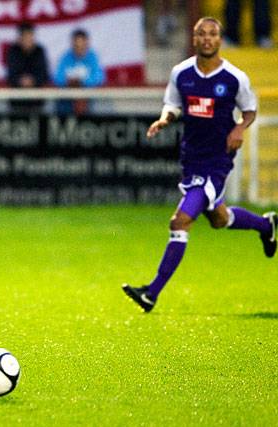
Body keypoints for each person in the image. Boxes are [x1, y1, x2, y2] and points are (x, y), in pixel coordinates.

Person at [122, 17, 277, 313]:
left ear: (219, 39)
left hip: (217, 162)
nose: (207, 39)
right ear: (194, 38)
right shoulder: (181, 73)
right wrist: (164, 119)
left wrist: (239, 128)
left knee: (179, 222)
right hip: (191, 158)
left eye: (213, 34)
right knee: (219, 219)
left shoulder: (234, 77)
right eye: (201, 34)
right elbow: (172, 104)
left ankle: (151, 293)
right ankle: (265, 224)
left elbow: (251, 110)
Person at [53, 29, 105, 115]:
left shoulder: (93, 57)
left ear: (87, 43)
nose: (79, 48)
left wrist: (82, 81)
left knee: (100, 104)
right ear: (72, 43)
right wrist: (68, 81)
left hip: (88, 97)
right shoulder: (65, 57)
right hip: (68, 97)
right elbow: (57, 77)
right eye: (76, 45)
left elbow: (99, 78)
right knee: (59, 103)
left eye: (82, 45)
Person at [5, 22, 49, 113]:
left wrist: (33, 80)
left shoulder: (39, 51)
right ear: (19, 38)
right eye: (25, 37)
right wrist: (20, 80)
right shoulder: (13, 51)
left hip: (37, 101)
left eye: (30, 36)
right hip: (17, 101)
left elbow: (44, 74)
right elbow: (10, 76)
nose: (28, 39)